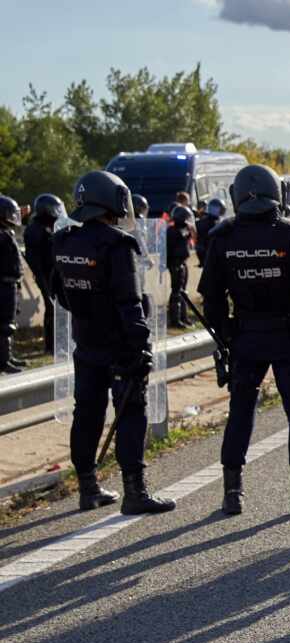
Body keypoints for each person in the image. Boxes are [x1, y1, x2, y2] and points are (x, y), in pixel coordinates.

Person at [200, 163, 290, 515]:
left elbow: (212, 299)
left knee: (241, 412)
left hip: (246, 338)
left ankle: (232, 493)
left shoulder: (222, 237)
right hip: (287, 337)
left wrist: (227, 335)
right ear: (275, 194)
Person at [48, 172, 174, 514]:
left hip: (85, 343)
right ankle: (135, 492)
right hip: (120, 347)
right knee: (131, 413)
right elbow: (130, 304)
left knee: (86, 414)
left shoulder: (64, 241)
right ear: (114, 200)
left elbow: (58, 293)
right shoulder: (118, 244)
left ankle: (88, 488)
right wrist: (141, 347)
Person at [23, 193, 65, 355]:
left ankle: (59, 342)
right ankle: (52, 346)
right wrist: (44, 285)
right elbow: (34, 262)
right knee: (52, 307)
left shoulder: (50, 226)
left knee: (59, 308)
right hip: (45, 275)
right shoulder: (35, 229)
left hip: (55, 273)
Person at [0, 196, 25, 374]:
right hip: (3, 285)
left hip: (10, 285)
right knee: (4, 324)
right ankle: (3, 361)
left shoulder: (5, 231)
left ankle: (8, 356)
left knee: (10, 322)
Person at [165, 205, 195, 329]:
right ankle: (175, 320)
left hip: (181, 263)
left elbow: (189, 235)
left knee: (182, 292)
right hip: (175, 264)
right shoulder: (174, 231)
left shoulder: (179, 230)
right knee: (177, 292)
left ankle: (183, 317)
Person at [194, 197, 225, 267]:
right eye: (221, 209)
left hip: (202, 252)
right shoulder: (217, 223)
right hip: (211, 253)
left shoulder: (200, 222)